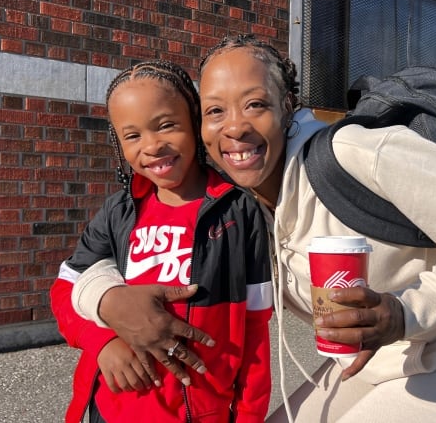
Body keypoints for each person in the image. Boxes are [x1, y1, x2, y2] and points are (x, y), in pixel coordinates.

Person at [71, 35, 436, 422]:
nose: (235, 127)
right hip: (379, 361)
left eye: (255, 104)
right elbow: (86, 268)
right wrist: (107, 301)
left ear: (288, 105)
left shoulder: (354, 152)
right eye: (215, 111)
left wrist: (408, 312)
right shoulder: (237, 199)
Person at [49, 60, 273, 423]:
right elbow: (64, 291)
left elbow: (256, 330)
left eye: (166, 125)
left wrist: (248, 417)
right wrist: (101, 339)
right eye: (132, 135)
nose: (152, 146)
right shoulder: (118, 211)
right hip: (111, 409)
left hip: (199, 413)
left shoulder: (238, 210)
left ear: (194, 123)